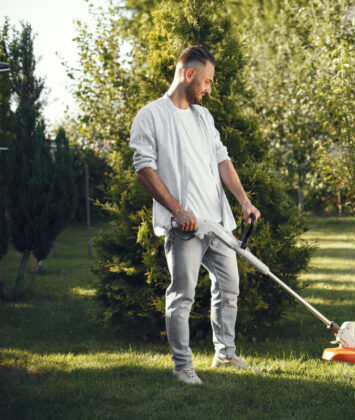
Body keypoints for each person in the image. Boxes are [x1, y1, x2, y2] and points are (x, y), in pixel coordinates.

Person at [129, 45, 260, 385]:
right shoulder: (151, 116)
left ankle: (225, 354)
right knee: (182, 295)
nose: (208, 89)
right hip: (184, 226)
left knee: (229, 288)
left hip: (217, 224)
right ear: (189, 75)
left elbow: (222, 160)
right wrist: (177, 210)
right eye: (207, 81)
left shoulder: (204, 118)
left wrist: (244, 201)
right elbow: (144, 169)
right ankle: (183, 366)